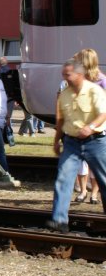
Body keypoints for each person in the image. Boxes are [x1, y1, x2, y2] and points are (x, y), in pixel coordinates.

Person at [46, 59, 106, 232]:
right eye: (63, 75)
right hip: (71, 142)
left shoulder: (94, 91)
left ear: (79, 74)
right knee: (63, 178)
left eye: (68, 75)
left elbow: (103, 114)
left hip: (96, 141)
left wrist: (90, 127)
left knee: (104, 180)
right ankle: (59, 220)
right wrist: (56, 140)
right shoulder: (64, 94)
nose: (65, 78)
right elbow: (61, 120)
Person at [70, 48, 106, 204]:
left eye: (79, 60)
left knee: (97, 164)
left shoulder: (102, 80)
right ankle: (83, 190)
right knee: (81, 162)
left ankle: (95, 193)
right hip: (80, 127)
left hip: (97, 128)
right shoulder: (79, 79)